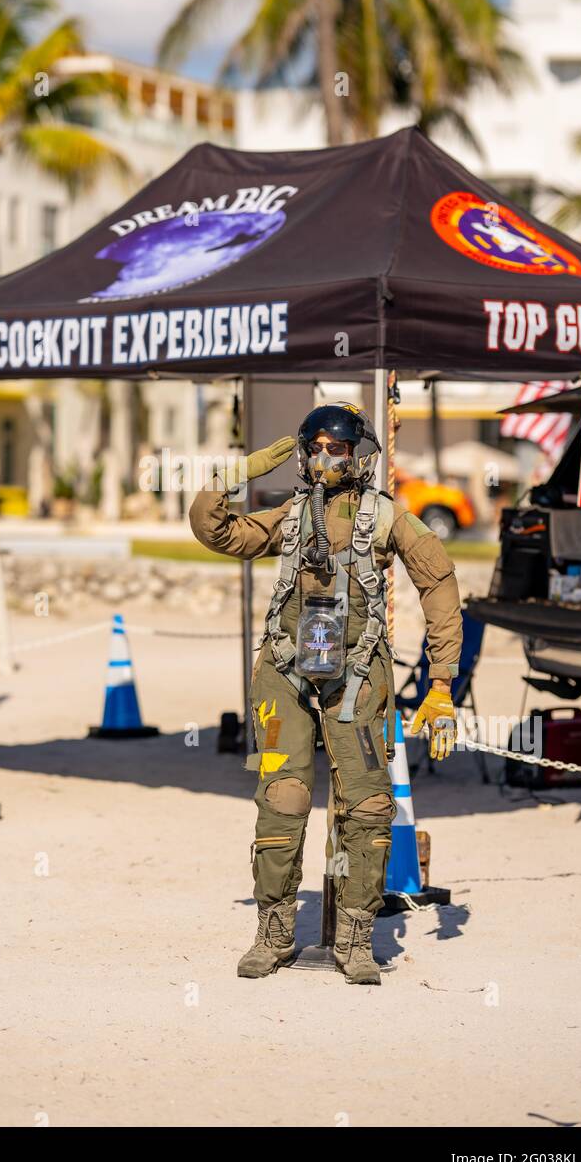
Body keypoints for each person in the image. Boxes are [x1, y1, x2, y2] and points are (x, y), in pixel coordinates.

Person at [189, 403, 463, 984]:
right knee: (282, 799)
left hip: (358, 675)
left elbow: (438, 579)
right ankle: (274, 928)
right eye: (315, 447)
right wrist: (235, 475)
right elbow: (213, 529)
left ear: (358, 454)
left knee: (365, 806)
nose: (323, 459)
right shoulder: (289, 518)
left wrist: (441, 684)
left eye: (336, 448)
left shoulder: (387, 519)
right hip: (285, 672)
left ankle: (357, 934)